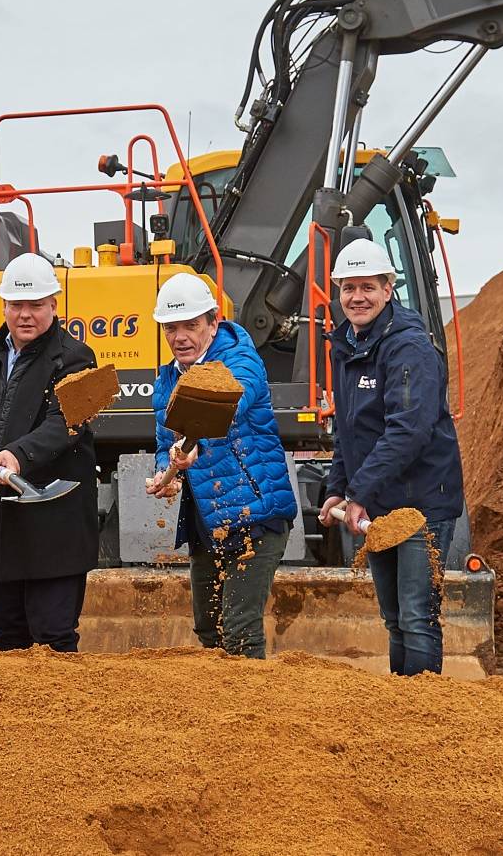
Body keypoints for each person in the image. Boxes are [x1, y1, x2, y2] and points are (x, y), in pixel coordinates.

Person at [317, 237, 466, 676]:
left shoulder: (408, 346)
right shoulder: (346, 345)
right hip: (381, 501)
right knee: (396, 619)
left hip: (422, 501)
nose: (357, 297)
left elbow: (409, 428)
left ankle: (422, 713)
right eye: (348, 288)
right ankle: (401, 706)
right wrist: (337, 489)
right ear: (338, 293)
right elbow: (348, 431)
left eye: (368, 286)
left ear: (388, 289)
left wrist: (358, 492)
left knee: (418, 618)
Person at [0, 252, 101, 652]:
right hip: (1, 515)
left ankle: (61, 710)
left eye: (35, 305)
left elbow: (65, 422)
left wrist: (17, 455)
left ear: (54, 304)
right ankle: (13, 714)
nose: (25, 315)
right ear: (4, 306)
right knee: (6, 629)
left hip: (53, 519)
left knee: (52, 632)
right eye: (16, 305)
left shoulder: (75, 357)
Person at [145, 272, 297, 658]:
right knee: (208, 628)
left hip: (255, 515)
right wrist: (169, 472)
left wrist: (192, 443)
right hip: (207, 520)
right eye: (171, 327)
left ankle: (254, 714)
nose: (180, 336)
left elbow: (229, 403)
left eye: (191, 326)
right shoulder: (166, 381)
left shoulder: (240, 359)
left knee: (240, 630)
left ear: (213, 323)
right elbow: (167, 444)